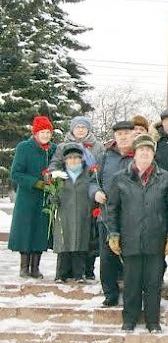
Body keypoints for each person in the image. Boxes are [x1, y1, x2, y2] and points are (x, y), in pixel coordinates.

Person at [106, 133, 168, 333]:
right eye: (141, 150)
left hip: (156, 239)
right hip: (130, 239)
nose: (145, 154)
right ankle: (129, 319)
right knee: (131, 282)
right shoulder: (119, 178)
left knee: (154, 283)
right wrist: (113, 233)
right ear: (134, 154)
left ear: (153, 154)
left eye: (149, 151)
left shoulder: (166, 178)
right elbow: (112, 209)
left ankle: (152, 321)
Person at [48, 115, 104, 280]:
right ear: (72, 129)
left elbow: (101, 167)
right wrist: (54, 178)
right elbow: (54, 165)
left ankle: (87, 270)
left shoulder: (97, 146)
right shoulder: (62, 146)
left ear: (88, 129)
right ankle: (64, 272)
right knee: (66, 236)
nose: (80, 129)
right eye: (77, 127)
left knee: (86, 235)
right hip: (67, 193)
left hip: (88, 192)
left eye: (83, 127)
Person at [89, 120, 135, 307]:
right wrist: (95, 193)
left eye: (126, 133)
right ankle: (110, 293)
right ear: (115, 136)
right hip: (107, 215)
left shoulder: (141, 154)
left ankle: (132, 292)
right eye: (119, 134)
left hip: (133, 215)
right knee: (107, 257)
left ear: (134, 135)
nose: (123, 137)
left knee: (131, 256)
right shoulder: (105, 156)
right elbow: (93, 181)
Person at [8, 116, 56, 279]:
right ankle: (24, 266)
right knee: (26, 230)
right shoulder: (24, 148)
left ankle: (35, 267)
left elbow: (57, 168)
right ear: (35, 133)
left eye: (48, 132)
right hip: (27, 197)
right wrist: (35, 183)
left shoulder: (53, 149)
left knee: (41, 231)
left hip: (45, 198)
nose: (45, 135)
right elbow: (16, 173)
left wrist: (54, 181)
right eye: (42, 132)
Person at [53, 143, 93, 283]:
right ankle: (61, 274)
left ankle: (79, 274)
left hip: (83, 214)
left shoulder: (89, 175)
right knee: (64, 244)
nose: (73, 160)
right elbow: (53, 195)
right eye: (70, 158)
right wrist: (53, 198)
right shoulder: (59, 177)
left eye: (76, 158)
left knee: (80, 245)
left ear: (82, 159)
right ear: (65, 160)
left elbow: (93, 192)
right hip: (64, 215)